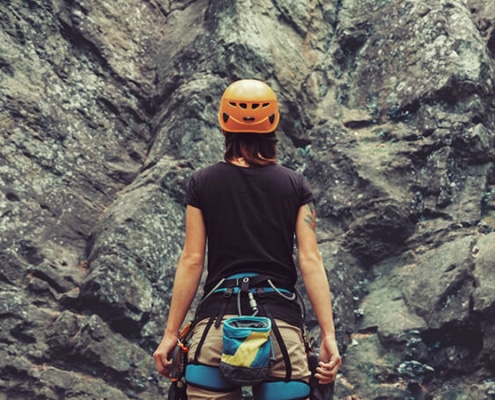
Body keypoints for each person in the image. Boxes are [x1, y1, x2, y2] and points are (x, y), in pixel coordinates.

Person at [153, 79, 341, 400]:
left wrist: (171, 334)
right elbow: (310, 260)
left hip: (216, 328)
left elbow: (192, 259)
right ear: (273, 125)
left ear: (224, 124)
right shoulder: (295, 186)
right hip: (281, 331)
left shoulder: (202, 182)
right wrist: (328, 335)